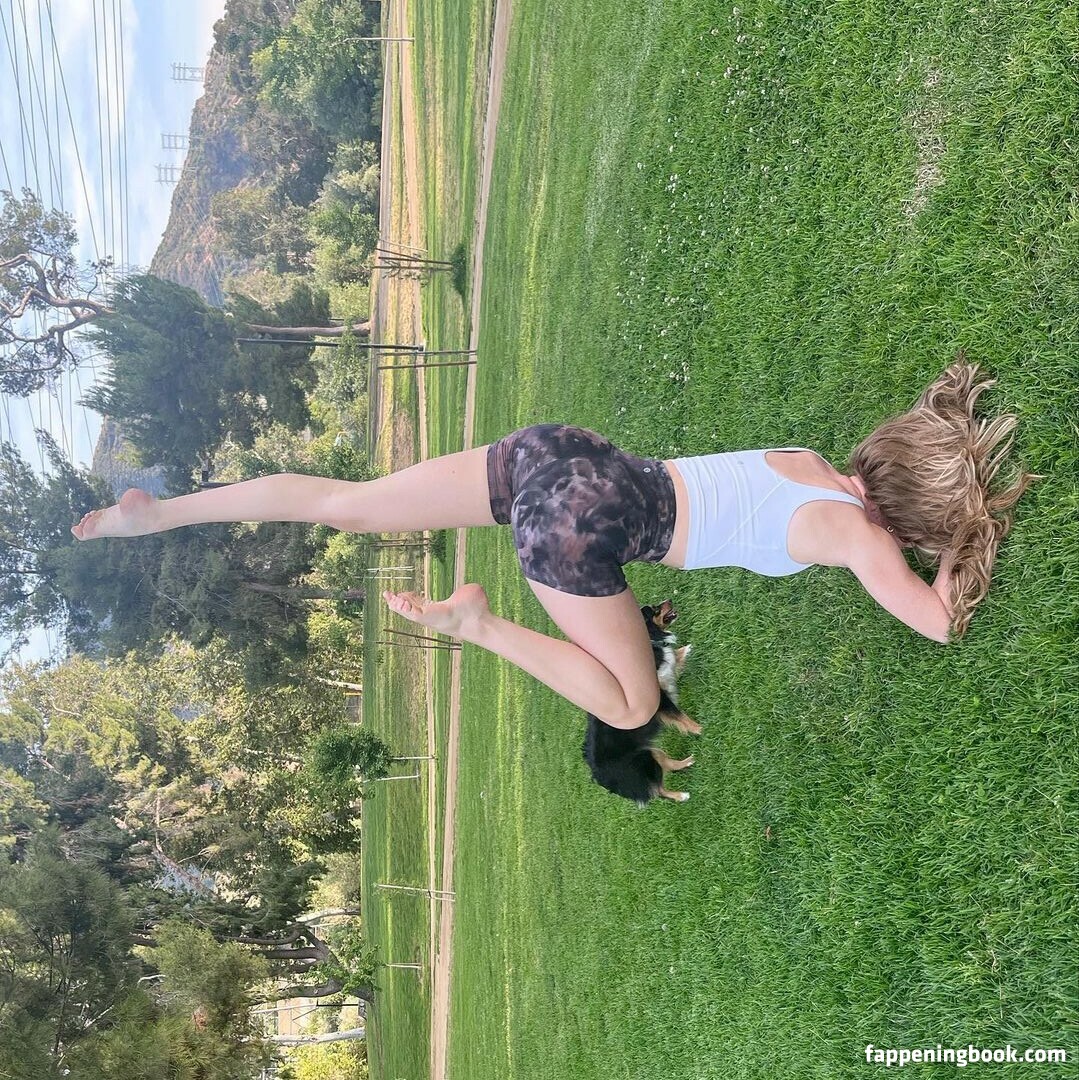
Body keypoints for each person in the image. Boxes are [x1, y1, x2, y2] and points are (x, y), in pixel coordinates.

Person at [72, 359, 1032, 731]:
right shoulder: (855, 537)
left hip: (565, 455)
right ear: (907, 517)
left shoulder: (814, 463)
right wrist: (960, 543)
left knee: (346, 503)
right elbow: (937, 621)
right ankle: (479, 625)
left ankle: (162, 513)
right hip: (579, 528)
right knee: (632, 705)